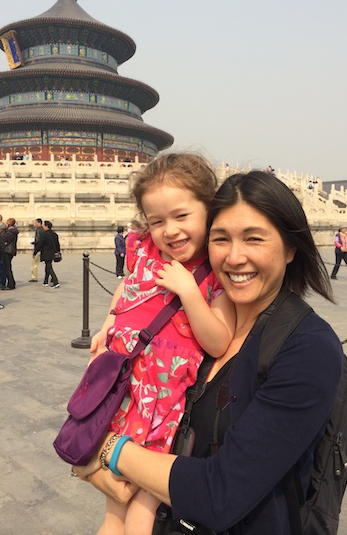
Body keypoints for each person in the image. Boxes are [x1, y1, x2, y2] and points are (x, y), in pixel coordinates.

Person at [75, 170, 344, 535]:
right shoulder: (188, 327)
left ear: (291, 247)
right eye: (221, 239)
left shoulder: (307, 348)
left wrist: (105, 450)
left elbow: (221, 492)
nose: (235, 257)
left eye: (254, 239)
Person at [87, 153, 235, 535]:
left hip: (166, 403)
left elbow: (219, 341)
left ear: (209, 209)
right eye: (157, 221)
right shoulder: (145, 252)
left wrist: (189, 292)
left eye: (182, 216)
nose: (170, 230)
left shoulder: (216, 272)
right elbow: (127, 287)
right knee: (113, 511)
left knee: (143, 509)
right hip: (126, 390)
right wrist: (108, 323)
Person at [34, 220, 61, 288]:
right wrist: (58, 251)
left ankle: (55, 281)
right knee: (48, 266)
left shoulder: (45, 234)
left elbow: (40, 244)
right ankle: (45, 281)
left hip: (46, 253)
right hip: (53, 253)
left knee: (49, 267)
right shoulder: (55, 234)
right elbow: (57, 244)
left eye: (44, 226)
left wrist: (35, 252)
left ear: (47, 226)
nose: (43, 227)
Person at [2, 218, 19, 289]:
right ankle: (11, 283)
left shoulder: (10, 232)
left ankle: (11, 284)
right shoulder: (12, 231)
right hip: (10, 251)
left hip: (8, 251)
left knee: (7, 268)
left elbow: (3, 238)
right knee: (7, 267)